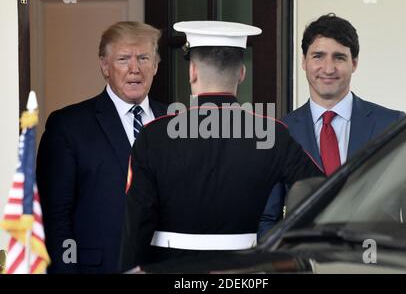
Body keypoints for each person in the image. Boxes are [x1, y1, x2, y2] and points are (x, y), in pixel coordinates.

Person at [119, 21, 324, 272]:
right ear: (241, 73)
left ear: (192, 71)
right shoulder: (272, 134)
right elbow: (322, 192)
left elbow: (138, 219)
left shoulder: (154, 135)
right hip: (243, 271)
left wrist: (129, 268)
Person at [258, 13, 406, 239]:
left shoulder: (393, 124)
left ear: (354, 63)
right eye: (318, 56)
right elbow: (267, 219)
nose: (328, 68)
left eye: (339, 57)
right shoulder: (280, 131)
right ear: (304, 61)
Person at [36, 21, 167, 273]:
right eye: (123, 59)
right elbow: (56, 218)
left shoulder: (174, 123)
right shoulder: (68, 126)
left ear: (156, 65)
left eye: (143, 57)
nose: (134, 69)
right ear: (104, 66)